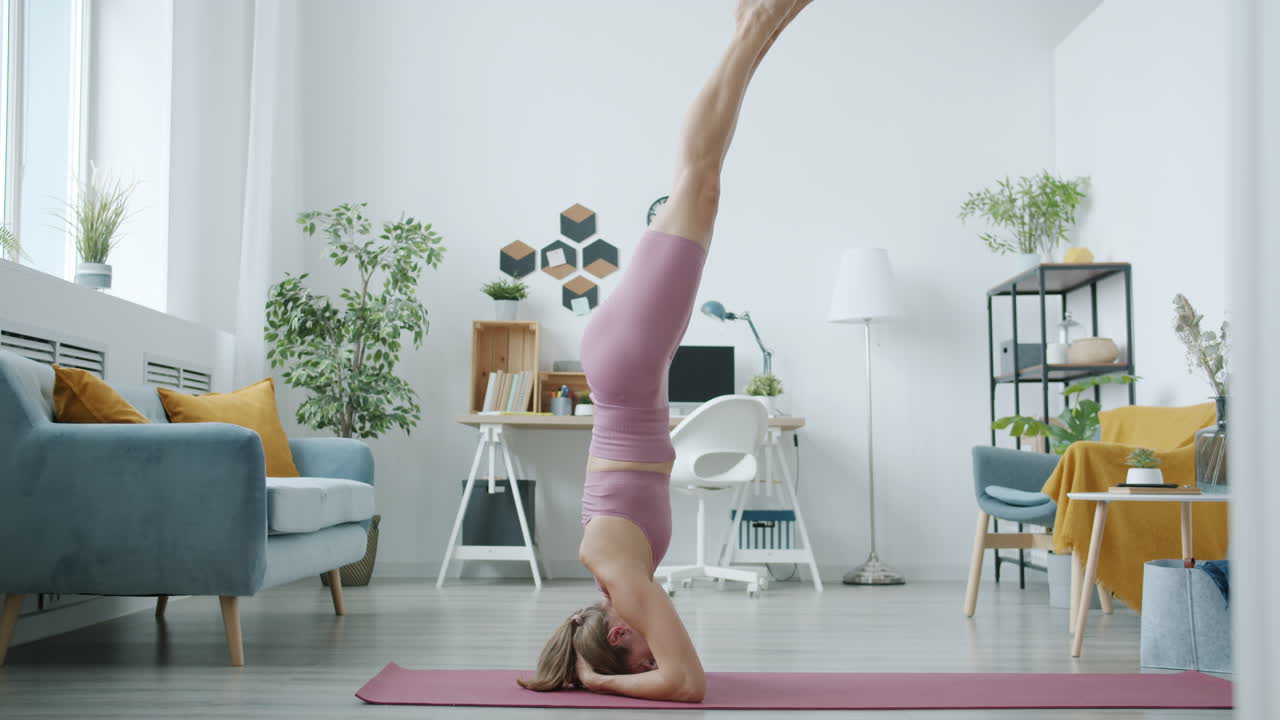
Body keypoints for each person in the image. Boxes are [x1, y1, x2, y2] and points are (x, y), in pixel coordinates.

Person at [516, 0, 811, 702]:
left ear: (620, 636)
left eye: (637, 653)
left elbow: (685, 684)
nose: (655, 648)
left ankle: (752, 27)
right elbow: (676, 673)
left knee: (697, 185)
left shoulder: (622, 581)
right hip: (632, 369)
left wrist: (597, 683)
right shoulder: (619, 576)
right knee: (701, 189)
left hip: (625, 367)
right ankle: (757, 31)